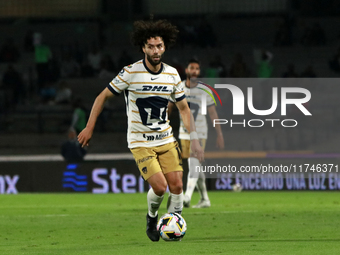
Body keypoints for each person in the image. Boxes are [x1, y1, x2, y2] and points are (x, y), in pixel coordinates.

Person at [77, 19, 204, 242]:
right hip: (140, 142)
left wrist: (194, 139)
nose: (156, 51)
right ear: (143, 47)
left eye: (159, 46)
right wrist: (89, 127)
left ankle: (173, 225)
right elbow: (102, 97)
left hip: (166, 139)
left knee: (177, 185)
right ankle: (152, 217)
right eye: (151, 46)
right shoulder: (130, 73)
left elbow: (184, 109)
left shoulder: (173, 75)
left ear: (165, 47)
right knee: (160, 186)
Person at [169, 59, 224, 208]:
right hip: (183, 133)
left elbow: (213, 113)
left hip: (199, 132)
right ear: (186, 70)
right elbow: (169, 107)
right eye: (192, 68)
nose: (194, 71)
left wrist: (219, 134)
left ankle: (186, 197)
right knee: (195, 165)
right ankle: (205, 199)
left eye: (197, 69)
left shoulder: (205, 90)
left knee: (194, 163)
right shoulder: (178, 87)